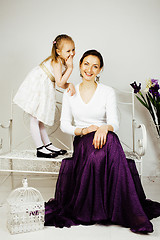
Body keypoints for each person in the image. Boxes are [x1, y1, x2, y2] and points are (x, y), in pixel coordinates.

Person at [45, 50, 160, 233]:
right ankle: (125, 213)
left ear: (100, 70)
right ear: (80, 65)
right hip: (83, 140)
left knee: (110, 142)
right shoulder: (70, 92)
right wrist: (84, 130)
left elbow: (113, 122)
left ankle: (129, 213)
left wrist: (103, 128)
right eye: (86, 64)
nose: (90, 69)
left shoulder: (107, 92)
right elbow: (65, 124)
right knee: (97, 155)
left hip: (106, 138)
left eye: (95, 66)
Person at [13, 34, 75, 158]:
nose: (72, 53)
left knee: (39, 119)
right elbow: (59, 82)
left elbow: (61, 83)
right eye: (68, 51)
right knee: (35, 118)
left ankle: (47, 145)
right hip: (38, 85)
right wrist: (70, 68)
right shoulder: (57, 61)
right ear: (58, 51)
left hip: (46, 86)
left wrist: (69, 85)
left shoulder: (61, 61)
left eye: (73, 49)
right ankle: (40, 148)